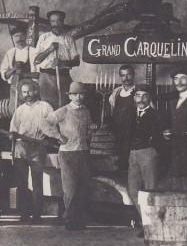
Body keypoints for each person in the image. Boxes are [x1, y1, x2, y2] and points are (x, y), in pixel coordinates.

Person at [47, 82, 97, 230]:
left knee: (82, 188)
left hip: (83, 152)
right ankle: (69, 220)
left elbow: (88, 130)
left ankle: (79, 220)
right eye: (75, 94)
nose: (78, 97)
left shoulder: (86, 111)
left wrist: (92, 129)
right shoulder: (63, 111)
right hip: (67, 154)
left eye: (81, 94)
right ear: (69, 96)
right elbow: (45, 123)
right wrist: (58, 136)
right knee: (70, 189)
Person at [9, 79, 57, 223]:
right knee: (21, 183)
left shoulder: (45, 107)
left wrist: (48, 139)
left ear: (36, 91)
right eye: (24, 92)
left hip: (38, 147)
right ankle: (24, 214)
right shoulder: (20, 110)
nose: (27, 94)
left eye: (29, 91)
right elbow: (13, 130)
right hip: (21, 148)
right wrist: (13, 136)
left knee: (37, 182)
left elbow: (53, 126)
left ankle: (37, 215)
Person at [128, 85, 162, 234]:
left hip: (148, 153)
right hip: (132, 154)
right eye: (138, 95)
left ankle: (152, 226)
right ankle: (146, 222)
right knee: (133, 190)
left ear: (149, 98)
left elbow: (161, 136)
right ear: (134, 98)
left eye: (144, 96)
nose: (140, 99)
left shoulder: (156, 115)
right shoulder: (130, 114)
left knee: (150, 190)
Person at [34, 11, 80, 108]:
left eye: (59, 21)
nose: (56, 24)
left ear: (63, 22)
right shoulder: (43, 37)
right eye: (53, 21)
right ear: (50, 23)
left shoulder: (69, 39)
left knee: (64, 106)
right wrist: (50, 49)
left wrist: (63, 63)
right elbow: (36, 60)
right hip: (46, 78)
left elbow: (77, 61)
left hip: (64, 77)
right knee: (47, 106)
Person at [108, 64, 136, 171]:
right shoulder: (116, 92)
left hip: (133, 132)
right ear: (120, 77)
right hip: (118, 132)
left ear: (133, 75)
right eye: (123, 75)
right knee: (119, 160)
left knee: (131, 161)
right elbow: (112, 110)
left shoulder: (139, 91)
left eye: (128, 74)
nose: (126, 78)